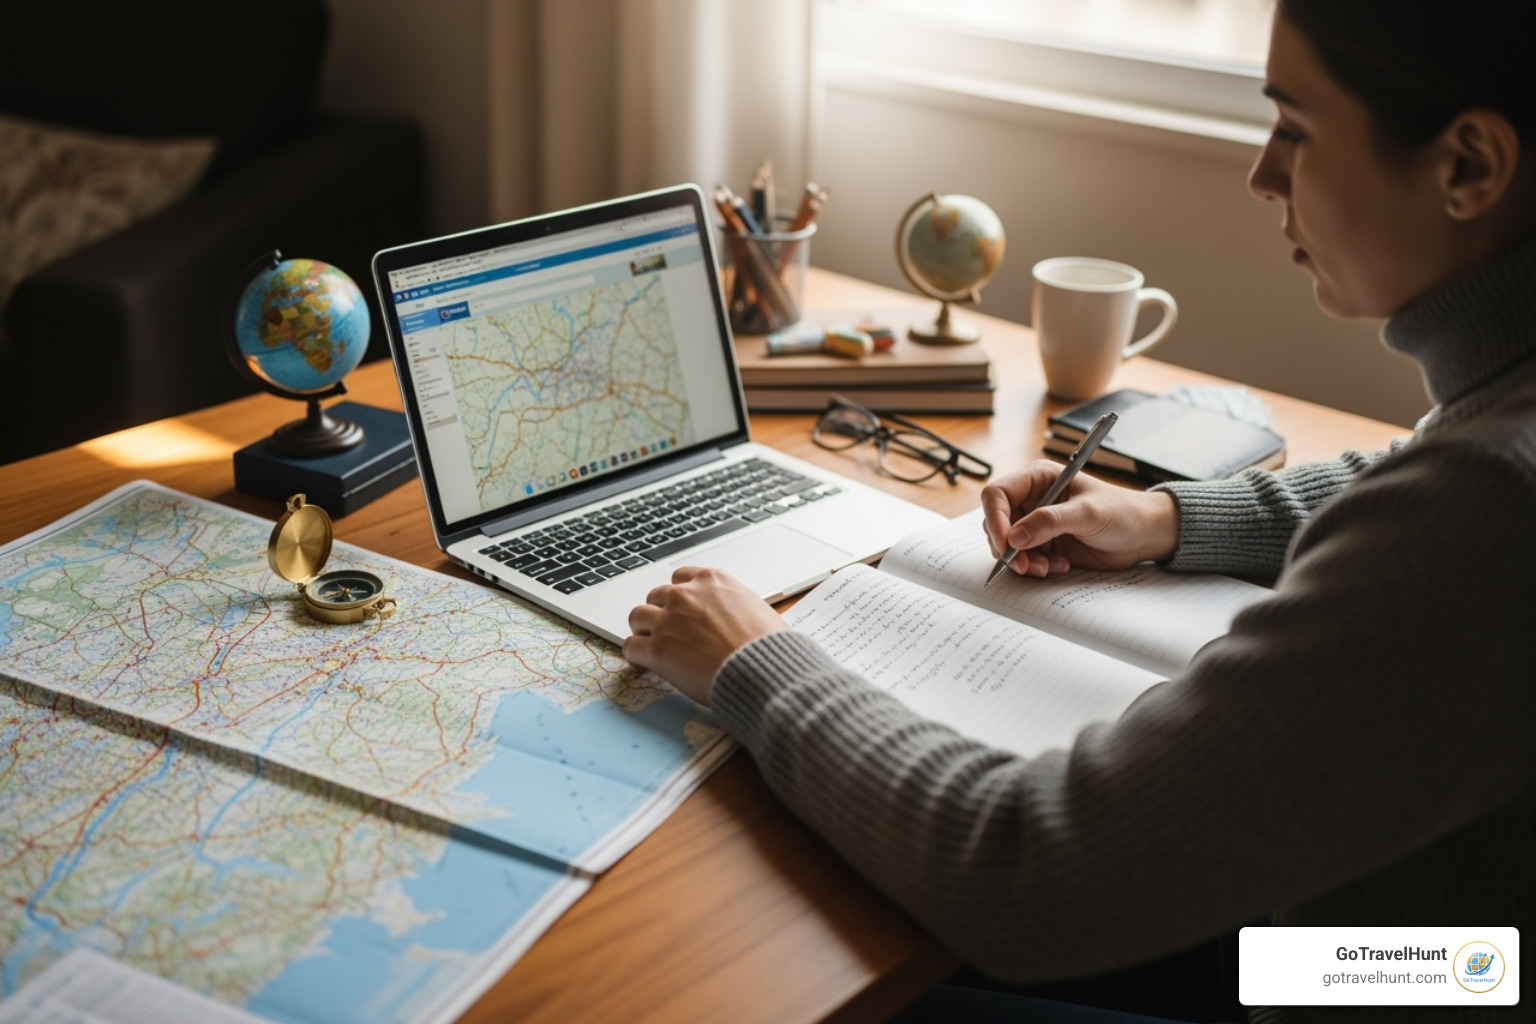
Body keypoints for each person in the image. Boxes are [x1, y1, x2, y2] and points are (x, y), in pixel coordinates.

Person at [625, 1, 1536, 1020]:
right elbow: (1415, 466)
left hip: (1395, 981)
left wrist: (755, 661)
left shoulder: (1484, 509)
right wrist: (1169, 519)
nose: (1263, 174)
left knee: (763, 981)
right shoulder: (1497, 425)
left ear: (1469, 166)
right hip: (1447, 957)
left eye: (1295, 127)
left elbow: (1024, 870)